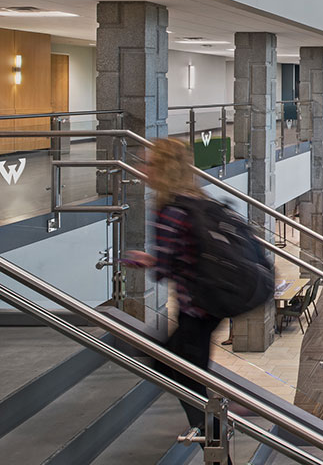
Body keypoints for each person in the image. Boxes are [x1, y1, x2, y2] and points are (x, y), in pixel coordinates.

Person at [121, 139, 232, 457]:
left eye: (148, 164)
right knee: (180, 369)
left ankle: (217, 441)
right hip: (211, 305)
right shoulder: (198, 198)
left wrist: (148, 260)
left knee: (182, 374)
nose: (143, 170)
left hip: (194, 309)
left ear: (163, 169)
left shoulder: (169, 211)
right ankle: (216, 430)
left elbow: (165, 268)